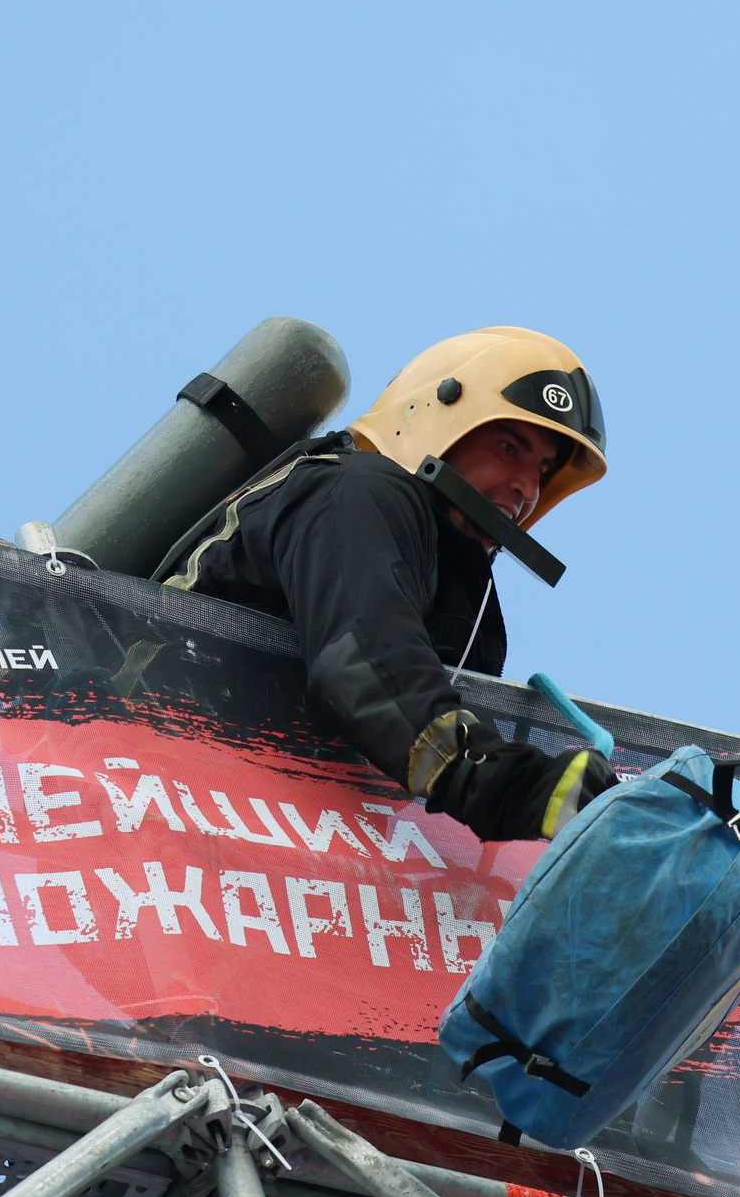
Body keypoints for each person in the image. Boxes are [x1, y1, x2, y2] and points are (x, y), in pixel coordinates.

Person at [166, 328, 616, 841]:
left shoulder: (462, 598)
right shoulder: (355, 492)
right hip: (150, 766)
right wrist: (517, 788)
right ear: (433, 418)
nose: (528, 488)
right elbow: (368, 663)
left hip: (239, 824)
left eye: (542, 469)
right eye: (509, 447)